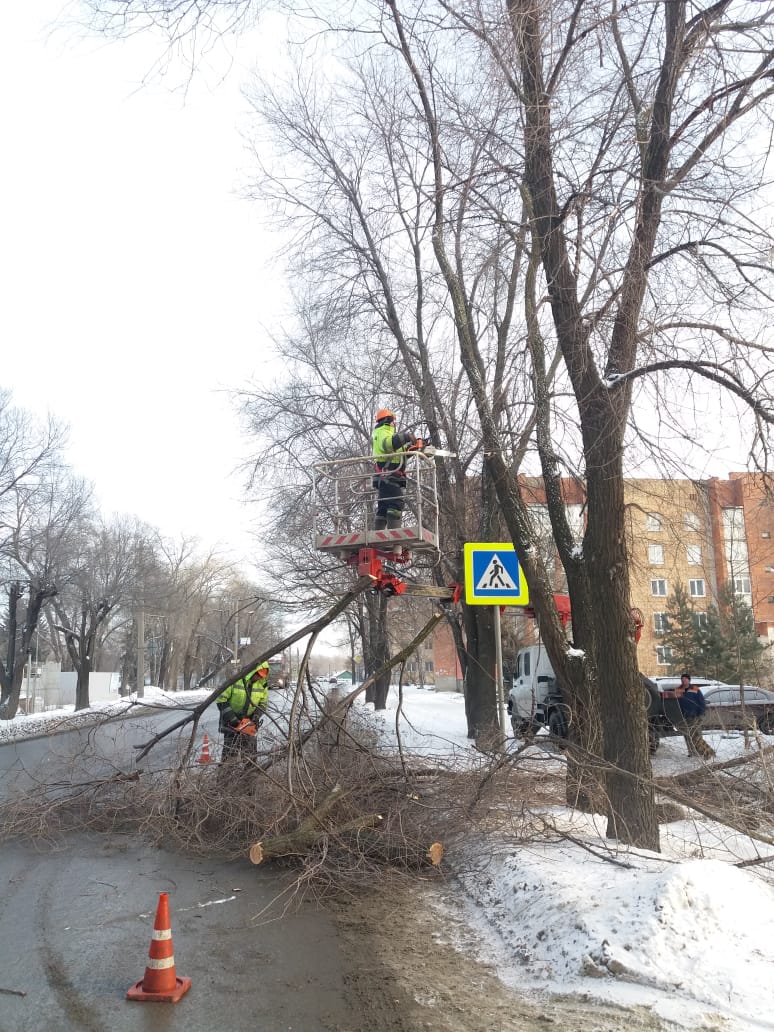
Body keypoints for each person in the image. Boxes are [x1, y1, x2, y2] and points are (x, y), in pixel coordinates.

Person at [371, 408, 421, 531]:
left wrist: (412, 447)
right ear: (388, 420)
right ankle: (394, 533)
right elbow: (389, 445)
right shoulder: (382, 431)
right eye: (393, 421)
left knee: (383, 505)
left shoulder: (386, 433)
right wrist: (407, 436)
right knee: (395, 503)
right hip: (388, 475)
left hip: (389, 476)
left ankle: (379, 533)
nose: (394, 423)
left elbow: (399, 452)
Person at [216, 660, 270, 761]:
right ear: (253, 671)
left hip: (249, 723)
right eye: (258, 674)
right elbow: (221, 699)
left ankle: (250, 774)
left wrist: (256, 716)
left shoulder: (262, 685)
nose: (259, 677)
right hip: (231, 723)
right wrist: (232, 719)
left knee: (250, 755)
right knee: (230, 755)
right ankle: (226, 774)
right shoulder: (236, 679)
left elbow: (263, 703)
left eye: (262, 676)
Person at [676, 672, 716, 760]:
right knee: (687, 735)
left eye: (685, 679)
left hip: (695, 716)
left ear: (689, 680)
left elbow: (701, 702)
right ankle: (691, 751)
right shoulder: (678, 689)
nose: (683, 681)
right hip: (683, 717)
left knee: (696, 734)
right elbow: (676, 703)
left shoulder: (695, 689)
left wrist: (701, 714)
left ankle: (706, 752)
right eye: (682, 679)